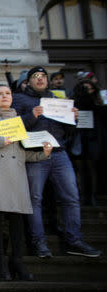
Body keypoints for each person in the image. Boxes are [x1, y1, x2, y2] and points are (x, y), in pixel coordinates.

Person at [12, 66, 101, 258]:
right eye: (35, 76)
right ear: (29, 81)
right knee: (35, 199)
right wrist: (31, 116)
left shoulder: (57, 101)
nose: (40, 79)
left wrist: (73, 119)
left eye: (43, 76)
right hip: (35, 155)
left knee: (71, 197)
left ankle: (74, 240)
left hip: (60, 154)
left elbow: (68, 132)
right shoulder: (20, 99)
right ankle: (39, 242)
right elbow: (13, 128)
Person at [0, 84, 52, 281]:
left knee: (17, 221)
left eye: (7, 93)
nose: (4, 96)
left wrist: (43, 154)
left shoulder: (19, 120)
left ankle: (18, 261)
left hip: (17, 175)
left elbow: (22, 153)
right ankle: (1, 262)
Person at [70, 80, 106, 206]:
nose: (87, 92)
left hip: (93, 140)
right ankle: (81, 195)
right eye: (84, 89)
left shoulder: (98, 105)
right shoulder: (74, 103)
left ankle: (92, 196)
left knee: (92, 169)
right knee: (79, 169)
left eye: (90, 89)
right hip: (78, 139)